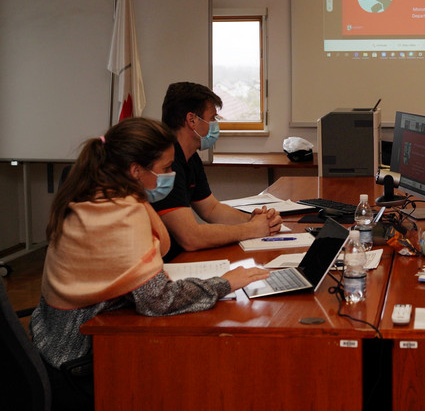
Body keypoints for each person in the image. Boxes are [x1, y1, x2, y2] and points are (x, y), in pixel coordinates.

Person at [29, 118, 270, 408]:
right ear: (135, 170)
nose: (171, 174)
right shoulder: (119, 213)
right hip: (80, 356)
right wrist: (226, 282)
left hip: (53, 340)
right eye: (166, 168)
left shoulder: (94, 193)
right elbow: (156, 300)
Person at [153, 82, 282, 261]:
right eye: (212, 118)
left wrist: (254, 220)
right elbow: (191, 237)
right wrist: (251, 229)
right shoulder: (167, 164)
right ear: (192, 120)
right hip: (165, 264)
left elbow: (211, 209)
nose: (215, 125)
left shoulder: (191, 158)